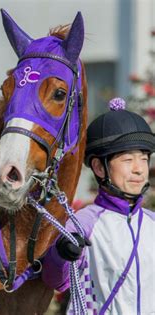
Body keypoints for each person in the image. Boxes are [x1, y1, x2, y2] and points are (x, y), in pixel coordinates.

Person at [41, 98, 155, 314]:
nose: (139, 169)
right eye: (128, 160)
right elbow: (55, 280)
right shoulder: (83, 224)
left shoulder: (152, 223)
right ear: (99, 168)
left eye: (143, 159)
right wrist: (61, 253)